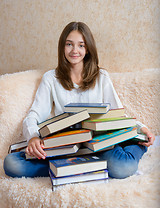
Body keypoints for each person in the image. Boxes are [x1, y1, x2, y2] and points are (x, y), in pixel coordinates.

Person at [3, 22, 155, 178]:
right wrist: (33, 137)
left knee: (122, 167)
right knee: (12, 164)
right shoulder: (50, 78)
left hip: (99, 146)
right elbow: (34, 114)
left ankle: (134, 146)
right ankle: (81, 166)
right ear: (62, 47)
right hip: (65, 147)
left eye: (81, 45)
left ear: (87, 49)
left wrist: (140, 129)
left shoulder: (101, 77)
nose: (74, 50)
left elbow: (117, 114)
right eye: (69, 44)